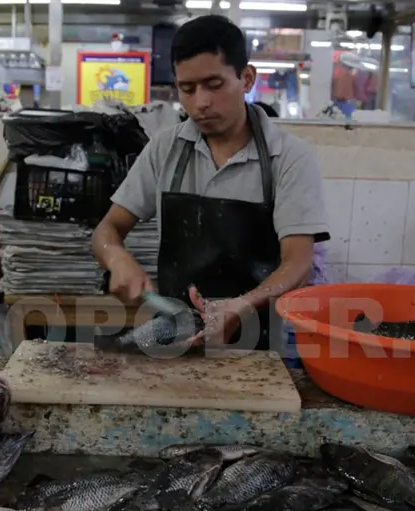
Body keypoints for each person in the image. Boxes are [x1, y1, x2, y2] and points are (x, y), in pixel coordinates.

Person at [92, 15, 327, 351]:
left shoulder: (289, 157)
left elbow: (298, 263)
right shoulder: (165, 148)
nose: (200, 102)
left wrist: (241, 306)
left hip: (256, 347)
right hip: (173, 336)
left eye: (214, 85)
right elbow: (107, 230)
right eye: (187, 89)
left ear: (246, 79)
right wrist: (116, 258)